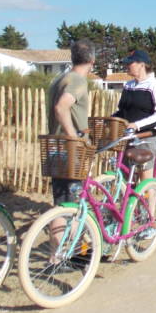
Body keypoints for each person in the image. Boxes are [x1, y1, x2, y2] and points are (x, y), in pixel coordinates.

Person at [46, 40, 95, 208]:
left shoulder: (59, 79)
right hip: (70, 149)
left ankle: (59, 235)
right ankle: (73, 234)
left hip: (55, 146)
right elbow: (61, 107)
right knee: (73, 205)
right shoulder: (78, 80)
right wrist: (73, 135)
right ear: (92, 61)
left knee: (60, 204)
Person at [112, 49, 156, 177]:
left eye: (130, 63)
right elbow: (122, 111)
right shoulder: (128, 85)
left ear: (142, 65)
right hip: (128, 135)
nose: (126, 66)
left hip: (145, 136)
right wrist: (111, 119)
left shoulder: (153, 85)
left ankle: (152, 197)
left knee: (145, 178)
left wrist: (137, 125)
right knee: (124, 175)